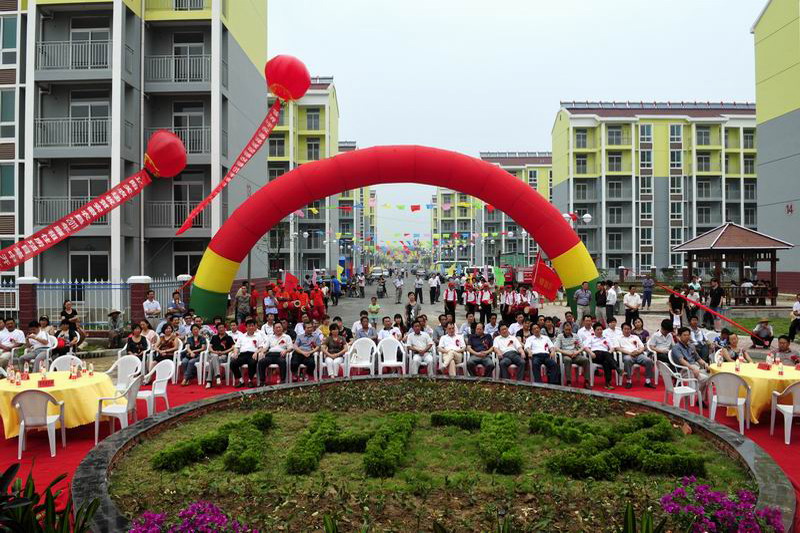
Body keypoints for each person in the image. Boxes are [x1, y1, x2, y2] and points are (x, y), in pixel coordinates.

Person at [618, 322, 655, 389]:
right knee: (627, 359)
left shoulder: (635, 337)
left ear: (631, 329)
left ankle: (648, 381)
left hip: (638, 354)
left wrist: (638, 352)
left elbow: (642, 347)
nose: (627, 330)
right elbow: (617, 348)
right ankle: (629, 381)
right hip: (627, 354)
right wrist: (630, 353)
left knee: (648, 360)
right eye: (625, 329)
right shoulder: (619, 338)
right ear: (622, 330)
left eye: (628, 329)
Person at [553, 322, 589, 388]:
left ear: (571, 329)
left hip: (575, 354)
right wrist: (567, 353)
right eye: (566, 330)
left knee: (585, 360)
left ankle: (586, 381)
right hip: (565, 355)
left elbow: (582, 347)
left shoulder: (575, 335)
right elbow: (556, 348)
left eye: (569, 330)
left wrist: (577, 352)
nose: (568, 331)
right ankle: (568, 381)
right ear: (563, 329)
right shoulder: (560, 336)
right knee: (567, 360)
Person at [582, 323, 617, 390]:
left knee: (606, 362)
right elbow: (585, 347)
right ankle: (616, 367)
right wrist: (591, 353)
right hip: (595, 355)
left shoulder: (606, 338)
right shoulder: (590, 338)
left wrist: (609, 353)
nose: (600, 331)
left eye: (601, 329)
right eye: (598, 330)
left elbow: (612, 347)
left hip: (605, 356)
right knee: (606, 357)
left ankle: (607, 383)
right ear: (594, 331)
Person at [231, 319, 266, 387]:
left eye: (252, 326)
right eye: (249, 326)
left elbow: (261, 347)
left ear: (255, 327)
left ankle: (250, 380)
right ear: (246, 328)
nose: (251, 327)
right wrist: (235, 353)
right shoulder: (242, 336)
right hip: (243, 355)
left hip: (253, 354)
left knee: (252, 363)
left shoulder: (258, 336)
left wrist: (256, 352)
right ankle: (241, 380)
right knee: (233, 363)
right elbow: (236, 347)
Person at [206, 322, 234, 388]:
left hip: (223, 356)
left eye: (222, 327)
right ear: (217, 329)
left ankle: (209, 381)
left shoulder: (229, 337)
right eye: (219, 328)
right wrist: (214, 352)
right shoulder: (214, 337)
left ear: (225, 328)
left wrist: (224, 352)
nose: (221, 329)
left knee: (212, 361)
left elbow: (233, 347)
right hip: (213, 354)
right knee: (214, 356)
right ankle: (218, 377)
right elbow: (209, 348)